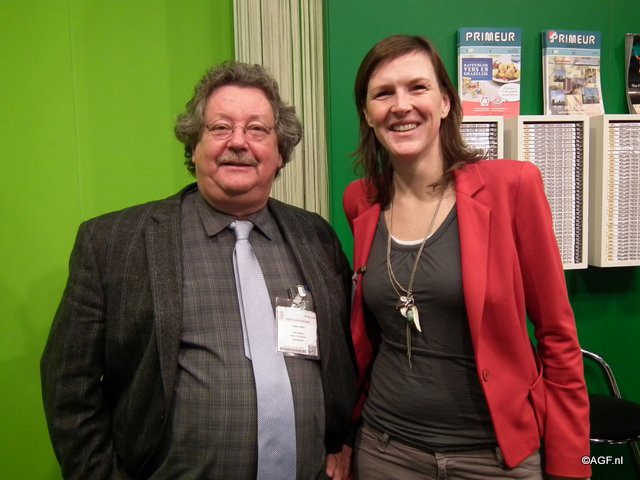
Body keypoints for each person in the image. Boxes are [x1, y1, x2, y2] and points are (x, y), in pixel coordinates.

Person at [41, 61, 356, 480]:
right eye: (220, 128)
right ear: (193, 147)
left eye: (257, 129)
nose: (238, 142)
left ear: (280, 152)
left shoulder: (316, 237)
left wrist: (342, 439)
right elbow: (69, 385)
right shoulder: (114, 242)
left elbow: (344, 355)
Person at [343, 35, 590, 480]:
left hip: (494, 458)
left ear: (444, 102)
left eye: (417, 87)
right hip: (385, 451)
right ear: (367, 113)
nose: (401, 105)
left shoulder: (511, 188)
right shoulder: (361, 201)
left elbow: (557, 334)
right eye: (383, 93)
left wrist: (574, 465)